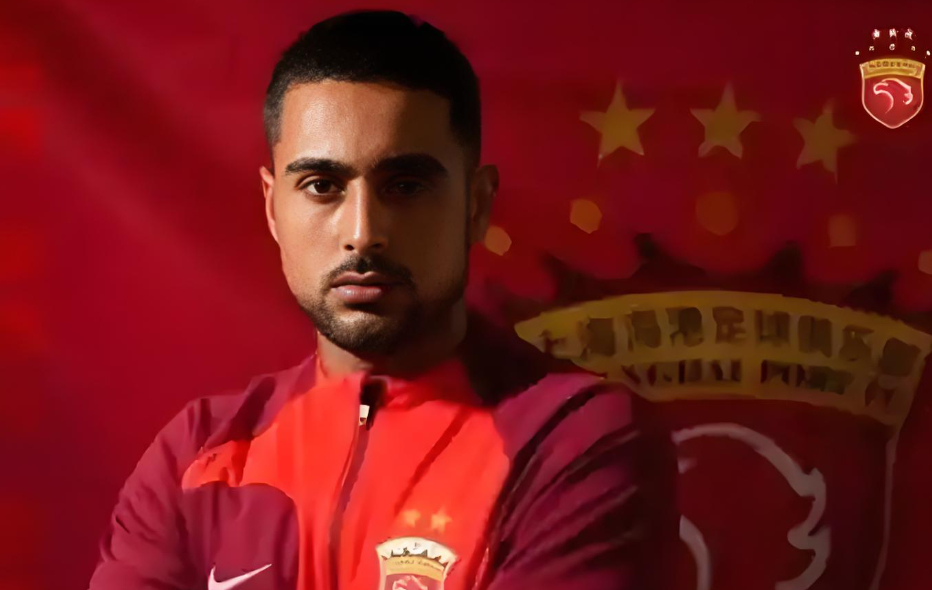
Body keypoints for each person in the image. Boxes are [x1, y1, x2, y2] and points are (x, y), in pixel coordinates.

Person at [88, 10, 677, 590]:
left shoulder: (572, 440)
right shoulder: (196, 455)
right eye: (322, 186)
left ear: (476, 205)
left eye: (405, 186)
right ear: (273, 208)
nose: (363, 232)